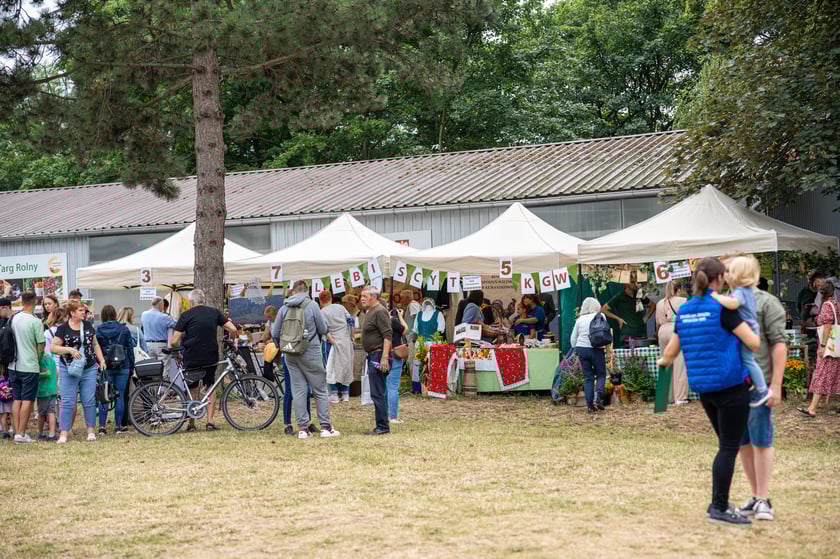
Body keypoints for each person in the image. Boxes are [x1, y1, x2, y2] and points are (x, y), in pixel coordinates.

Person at [658, 257, 760, 526]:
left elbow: (670, 352)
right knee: (729, 447)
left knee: (725, 445)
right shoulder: (722, 308)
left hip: (704, 389)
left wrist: (660, 387)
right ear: (720, 278)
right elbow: (754, 343)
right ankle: (719, 508)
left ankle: (720, 503)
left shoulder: (687, 310)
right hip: (731, 384)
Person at [716, 253, 787, 523]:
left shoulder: (766, 303)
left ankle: (763, 498)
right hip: (732, 384)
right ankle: (756, 496)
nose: (726, 274)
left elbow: (779, 344)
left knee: (761, 439)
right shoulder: (724, 303)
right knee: (743, 441)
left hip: (758, 385)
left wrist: (776, 386)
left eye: (730, 269)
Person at [271, 280, 339, 438]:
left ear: (293, 291)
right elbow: (322, 328)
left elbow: (275, 333)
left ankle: (302, 428)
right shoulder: (312, 305)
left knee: (298, 390)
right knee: (320, 390)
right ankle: (325, 427)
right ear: (307, 291)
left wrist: (282, 346)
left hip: (290, 354)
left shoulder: (284, 307)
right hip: (310, 351)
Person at [170, 289, 238, 432]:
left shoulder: (185, 315)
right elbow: (232, 328)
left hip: (192, 355)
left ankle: (191, 423)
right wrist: (231, 341)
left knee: (193, 387)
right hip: (210, 355)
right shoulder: (214, 312)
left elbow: (174, 340)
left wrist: (178, 352)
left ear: (191, 301)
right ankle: (210, 421)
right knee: (210, 386)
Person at [711, 256, 771, 407]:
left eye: (730, 272)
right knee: (746, 359)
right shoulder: (744, 290)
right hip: (750, 328)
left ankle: (762, 389)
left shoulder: (740, 291)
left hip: (748, 330)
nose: (726, 275)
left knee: (748, 360)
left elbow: (732, 304)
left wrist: (716, 297)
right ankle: (752, 383)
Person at [52, 300, 107, 443]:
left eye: (84, 310)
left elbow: (95, 344)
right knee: (67, 401)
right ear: (72, 313)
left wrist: (101, 360)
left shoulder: (88, 326)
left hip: (88, 367)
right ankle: (64, 433)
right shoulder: (63, 329)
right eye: (81, 310)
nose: (84, 313)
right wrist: (69, 349)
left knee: (88, 400)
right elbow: (53, 347)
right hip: (68, 368)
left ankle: (91, 431)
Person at [8, 291, 46, 444]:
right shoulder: (35, 321)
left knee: (17, 399)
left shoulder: (14, 318)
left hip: (13, 365)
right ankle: (21, 434)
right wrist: (37, 360)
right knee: (28, 400)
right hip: (29, 365)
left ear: (22, 301)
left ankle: (17, 432)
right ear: (35, 301)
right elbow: (41, 346)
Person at [799, 282, 840, 418]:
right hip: (836, 346)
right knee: (835, 375)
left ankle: (812, 408)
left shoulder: (827, 306)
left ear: (821, 294)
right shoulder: (836, 304)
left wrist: (822, 346)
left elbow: (828, 326)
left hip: (829, 346)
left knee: (821, 374)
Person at [95, 305, 135, 435]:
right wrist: (131, 366)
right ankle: (118, 426)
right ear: (114, 314)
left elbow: (96, 349)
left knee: (104, 396)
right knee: (120, 396)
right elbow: (130, 349)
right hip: (123, 365)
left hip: (105, 366)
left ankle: (102, 427)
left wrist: (98, 364)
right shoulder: (124, 329)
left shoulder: (98, 330)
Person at [359, 284, 392, 435]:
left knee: (377, 392)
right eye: (361, 297)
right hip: (373, 354)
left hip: (378, 355)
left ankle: (382, 426)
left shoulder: (380, 311)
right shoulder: (370, 311)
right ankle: (382, 424)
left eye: (364, 296)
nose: (362, 299)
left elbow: (387, 335)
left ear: (374, 297)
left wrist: (385, 357)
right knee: (378, 391)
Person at [570, 297, 609, 412]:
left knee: (588, 377)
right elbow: (605, 334)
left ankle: (589, 405)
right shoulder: (601, 316)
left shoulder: (580, 319)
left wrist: (575, 348)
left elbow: (573, 339)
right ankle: (598, 396)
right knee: (601, 374)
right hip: (596, 349)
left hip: (582, 348)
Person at [656, 280, 689, 404]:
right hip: (677, 330)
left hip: (662, 331)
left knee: (665, 363)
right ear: (678, 290)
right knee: (680, 365)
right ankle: (680, 398)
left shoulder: (660, 303)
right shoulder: (683, 301)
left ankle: (664, 397)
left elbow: (658, 321)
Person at [601, 274, 655, 347]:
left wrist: (646, 318)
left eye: (636, 282)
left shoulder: (639, 295)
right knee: (628, 356)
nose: (635, 284)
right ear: (626, 283)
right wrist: (618, 319)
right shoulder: (620, 296)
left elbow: (653, 305)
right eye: (632, 282)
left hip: (640, 333)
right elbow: (604, 309)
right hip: (627, 333)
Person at [38, 307, 66, 440]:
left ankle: (48, 427)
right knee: (63, 397)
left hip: (52, 366)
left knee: (52, 400)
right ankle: (61, 423)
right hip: (65, 364)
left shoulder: (48, 333)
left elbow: (46, 352)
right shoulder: (67, 330)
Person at [321, 292, 354, 403]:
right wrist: (351, 336)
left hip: (332, 342)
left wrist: (331, 341)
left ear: (321, 301)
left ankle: (334, 394)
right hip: (345, 340)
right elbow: (351, 322)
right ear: (330, 298)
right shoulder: (341, 307)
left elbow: (324, 329)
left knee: (331, 367)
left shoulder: (322, 312)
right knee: (346, 366)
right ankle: (345, 394)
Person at [141, 297, 177, 374]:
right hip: (161, 345)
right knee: (164, 369)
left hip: (148, 345)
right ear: (161, 305)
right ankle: (163, 385)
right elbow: (176, 324)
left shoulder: (144, 314)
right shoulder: (164, 317)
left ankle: (152, 385)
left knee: (151, 369)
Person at [387, 307, 408, 423]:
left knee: (385, 386)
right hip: (395, 355)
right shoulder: (393, 321)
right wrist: (400, 316)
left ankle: (384, 414)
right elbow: (405, 330)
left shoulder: (380, 321)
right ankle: (393, 416)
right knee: (393, 387)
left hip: (383, 355)